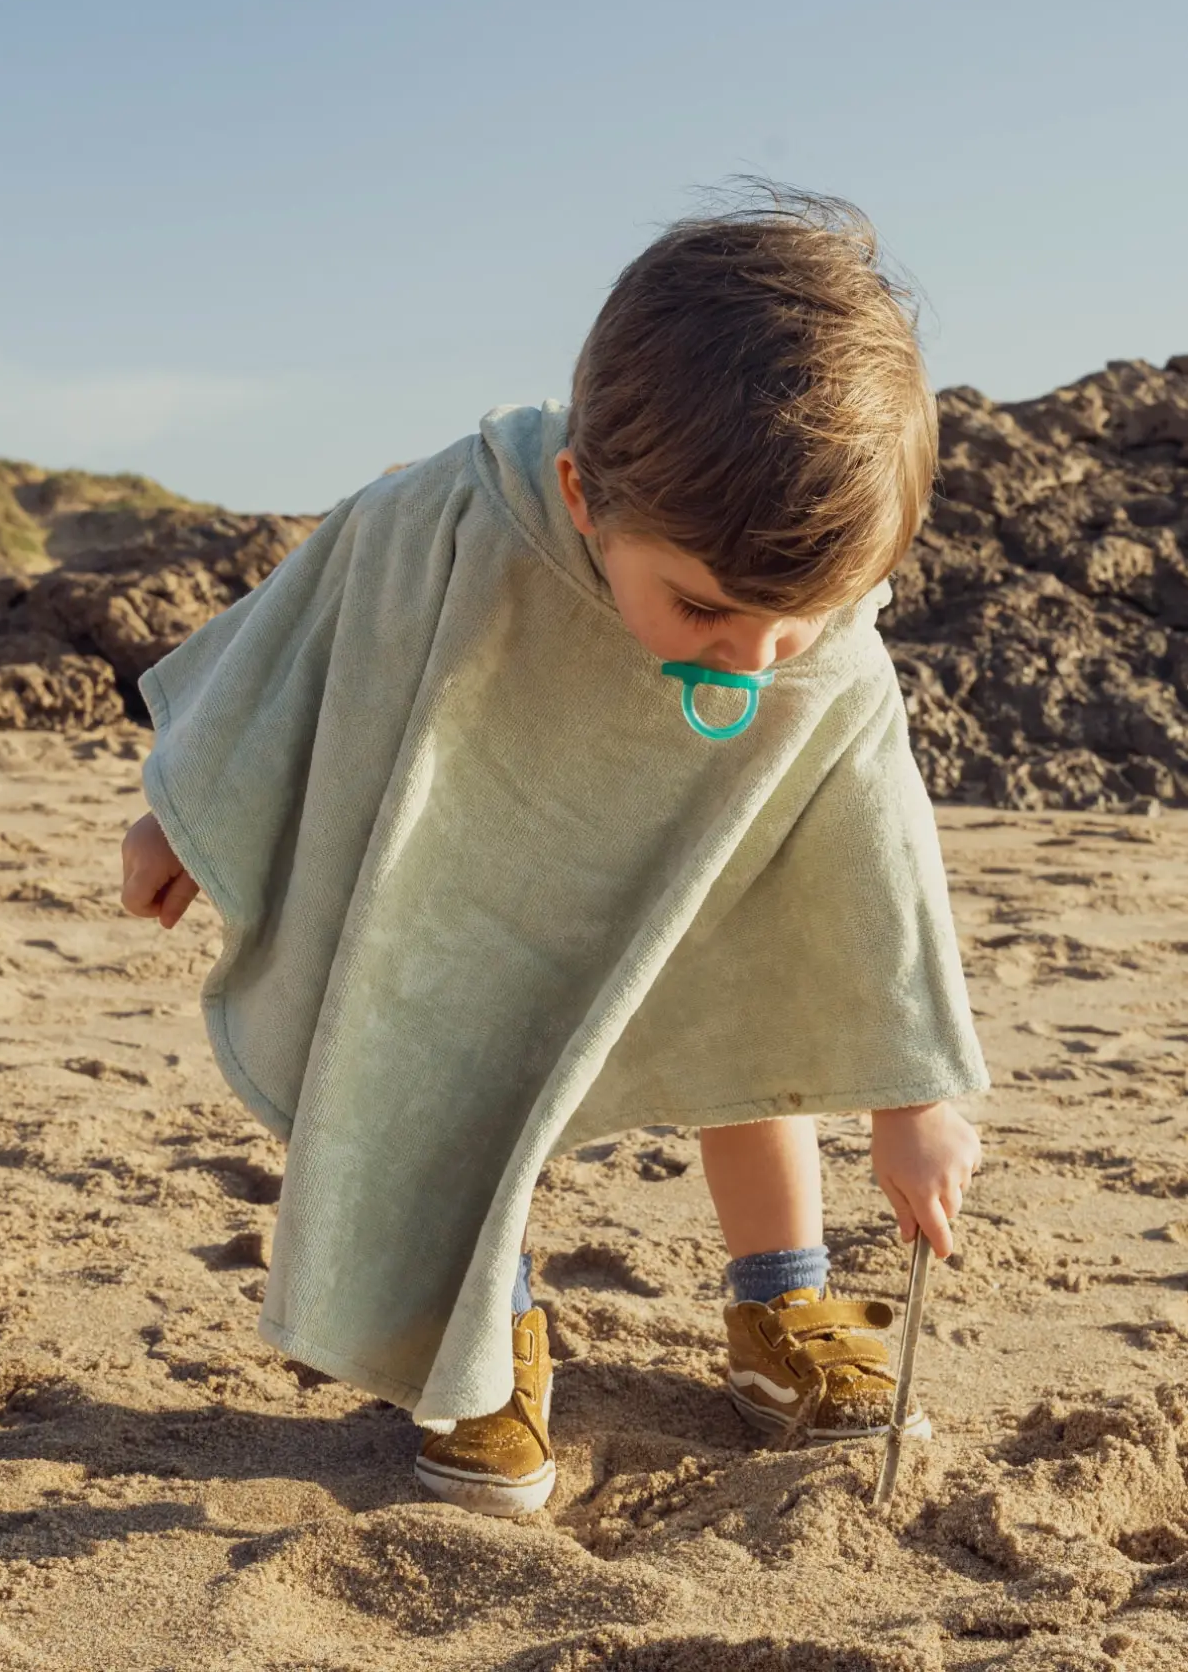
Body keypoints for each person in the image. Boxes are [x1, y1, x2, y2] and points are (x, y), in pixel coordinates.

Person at [121, 187, 987, 1519]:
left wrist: (915, 1091)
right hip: (479, 875)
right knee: (464, 1066)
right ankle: (488, 1341)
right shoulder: (460, 521)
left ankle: (780, 1310)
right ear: (586, 493)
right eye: (701, 604)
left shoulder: (820, 635)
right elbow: (311, 624)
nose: (750, 657)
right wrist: (188, 804)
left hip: (700, 885)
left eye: (793, 622)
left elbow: (874, 860)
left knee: (761, 1025)